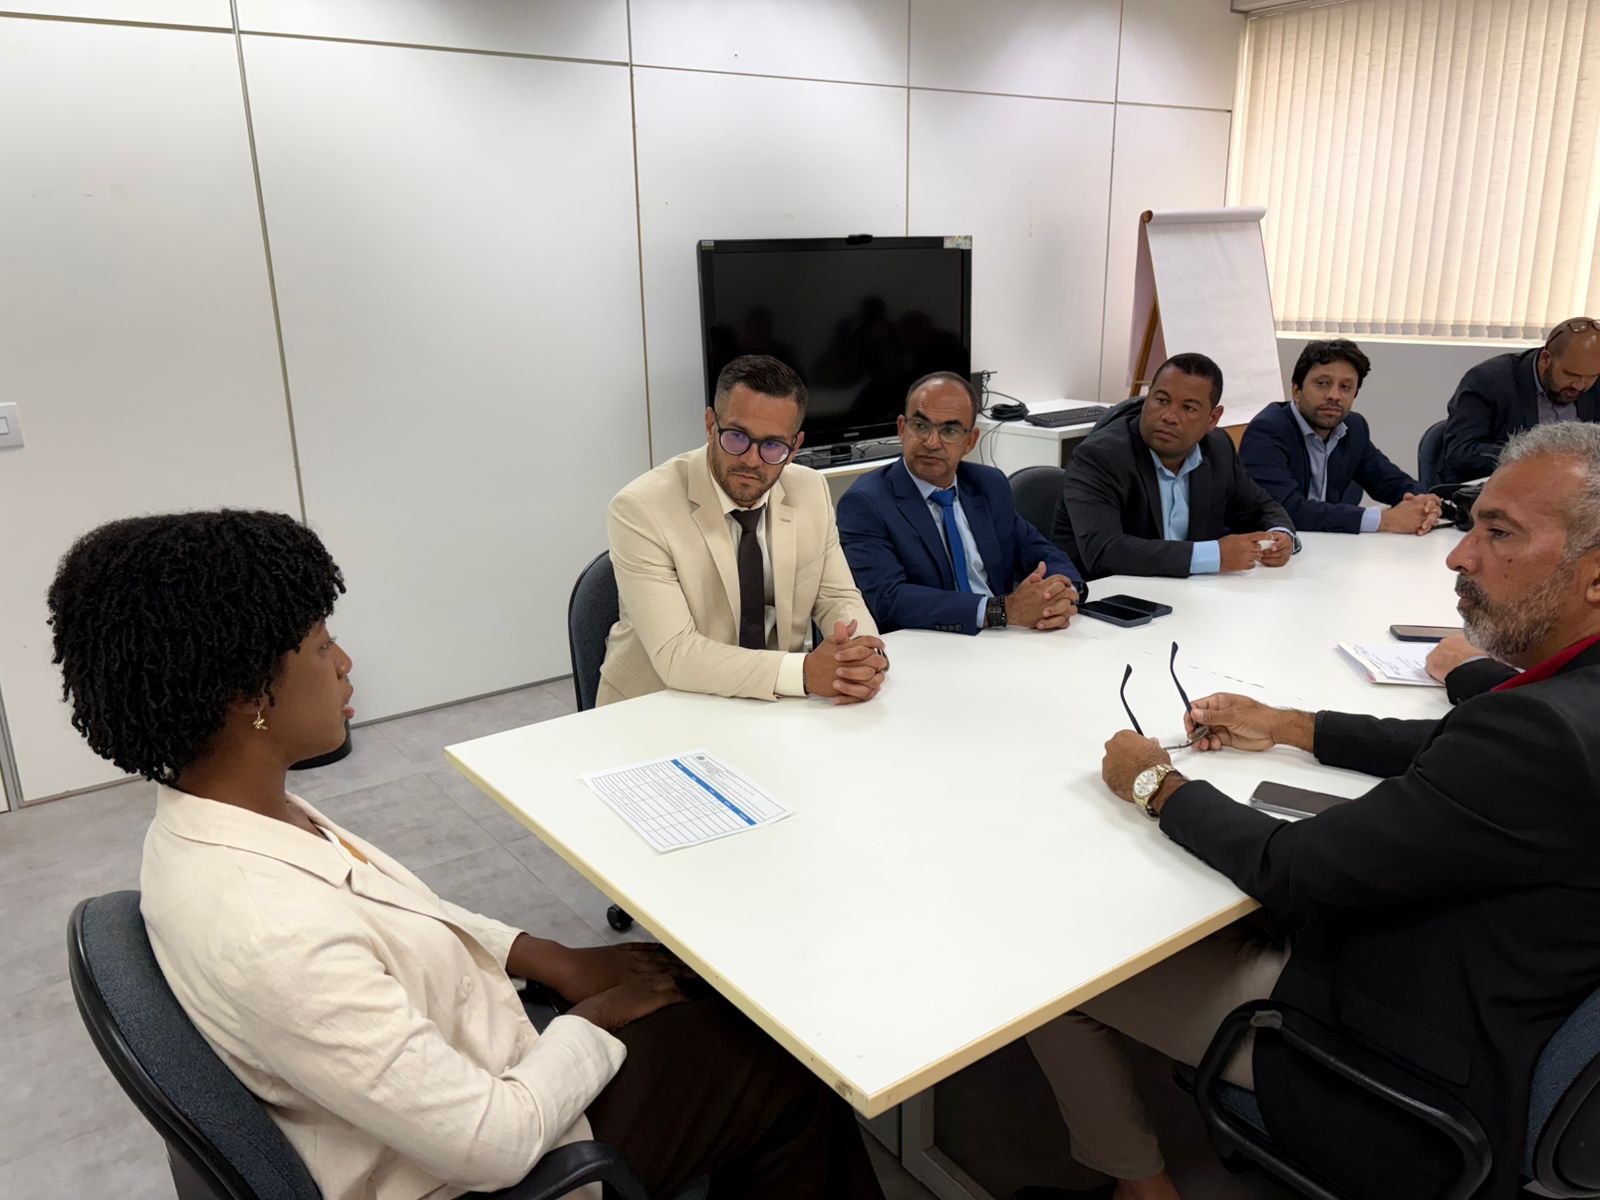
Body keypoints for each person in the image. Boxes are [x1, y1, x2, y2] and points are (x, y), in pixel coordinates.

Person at [46, 509, 885, 1200]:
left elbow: (403, 914)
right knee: (786, 1068)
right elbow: (493, 1142)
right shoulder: (267, 928)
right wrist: (595, 1018)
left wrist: (548, 956)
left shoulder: (228, 816)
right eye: (320, 646)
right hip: (504, 1164)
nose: (345, 664)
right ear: (245, 695)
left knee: (711, 996)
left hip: (474, 1064)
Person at [1027, 420, 1600, 1200]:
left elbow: (1295, 869)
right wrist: (1292, 725)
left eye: (1498, 533)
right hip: (1510, 994)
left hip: (1397, 1050)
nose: (1459, 555)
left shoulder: (1536, 737)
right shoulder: (1563, 711)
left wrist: (1156, 784)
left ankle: (1143, 1189)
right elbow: (1454, 744)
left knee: (1057, 981)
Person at [600, 354, 887, 705]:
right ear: (711, 424)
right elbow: (676, 652)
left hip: (770, 700)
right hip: (659, 706)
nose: (751, 460)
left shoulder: (810, 490)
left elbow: (838, 598)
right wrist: (803, 672)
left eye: (773, 445)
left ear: (795, 447)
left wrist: (862, 656)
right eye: (737, 437)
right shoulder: (641, 508)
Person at [836, 371, 1084, 634]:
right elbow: (889, 600)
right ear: (901, 429)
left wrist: (1061, 593)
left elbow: (1043, 553)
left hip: (1004, 638)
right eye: (920, 426)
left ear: (970, 441)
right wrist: (1000, 611)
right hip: (929, 643)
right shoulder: (866, 502)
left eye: (950, 431)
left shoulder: (988, 485)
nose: (932, 442)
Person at [1051, 353, 1297, 579]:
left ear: (1213, 419)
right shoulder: (1099, 457)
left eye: (1188, 408)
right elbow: (1105, 552)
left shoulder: (1218, 449)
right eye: (1161, 400)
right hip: (1108, 599)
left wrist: (1280, 536)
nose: (1169, 416)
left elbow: (1262, 507)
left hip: (1185, 594)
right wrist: (1215, 555)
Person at [1240, 338, 1441, 534]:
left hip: (1332, 546)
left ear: (1355, 395)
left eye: (1345, 387)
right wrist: (1384, 520)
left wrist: (1424, 502)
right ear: (1296, 390)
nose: (1334, 396)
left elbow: (1389, 481)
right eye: (1322, 383)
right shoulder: (1267, 431)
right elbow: (1285, 509)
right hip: (1277, 548)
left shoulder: (1354, 428)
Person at [1439, 316, 1600, 484]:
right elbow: (1461, 451)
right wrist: (1535, 461)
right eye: (1571, 375)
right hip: (1507, 486)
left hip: (1580, 487)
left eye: (1591, 376)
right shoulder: (1489, 380)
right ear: (1546, 359)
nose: (1580, 385)